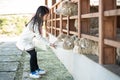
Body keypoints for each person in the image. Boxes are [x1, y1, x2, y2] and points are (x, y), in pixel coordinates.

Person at [16, 6, 55, 78]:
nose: (47, 17)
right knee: (33, 54)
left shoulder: (37, 21)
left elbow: (39, 35)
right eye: (46, 15)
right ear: (41, 14)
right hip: (23, 42)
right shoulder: (35, 24)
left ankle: (37, 69)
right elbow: (39, 37)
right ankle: (32, 72)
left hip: (28, 41)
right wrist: (49, 44)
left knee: (34, 53)